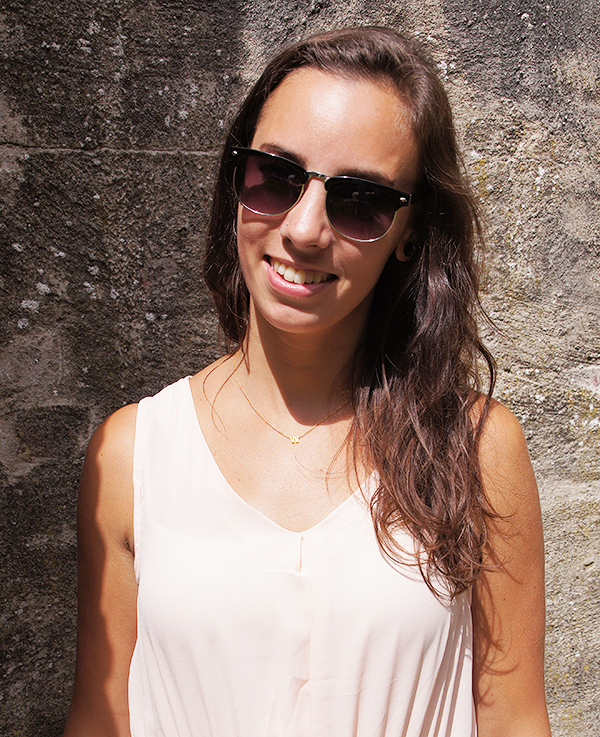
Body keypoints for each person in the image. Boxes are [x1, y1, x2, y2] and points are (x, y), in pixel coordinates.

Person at [63, 26, 551, 737]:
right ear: (237, 178)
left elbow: (514, 719)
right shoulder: (131, 454)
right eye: (276, 175)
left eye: (360, 200)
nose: (304, 228)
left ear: (411, 232)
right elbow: (101, 718)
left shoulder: (475, 449)